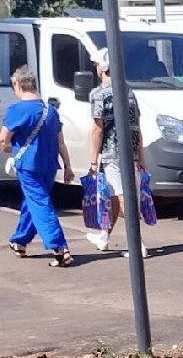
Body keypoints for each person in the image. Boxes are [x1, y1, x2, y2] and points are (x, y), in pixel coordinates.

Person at [1, 65, 75, 267]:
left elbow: (3, 138)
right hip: (50, 165)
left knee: (39, 203)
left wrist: (7, 147)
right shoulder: (50, 110)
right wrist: (68, 166)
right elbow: (61, 142)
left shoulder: (16, 109)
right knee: (33, 201)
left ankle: (59, 247)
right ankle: (20, 240)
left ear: (18, 85)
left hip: (28, 165)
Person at [85, 47, 147, 257]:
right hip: (131, 151)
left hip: (112, 153)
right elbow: (136, 125)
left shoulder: (99, 93)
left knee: (122, 199)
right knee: (113, 195)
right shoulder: (128, 90)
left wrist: (93, 160)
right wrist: (140, 155)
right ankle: (104, 236)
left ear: (102, 68)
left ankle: (138, 245)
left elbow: (97, 128)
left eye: (96, 65)